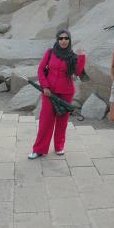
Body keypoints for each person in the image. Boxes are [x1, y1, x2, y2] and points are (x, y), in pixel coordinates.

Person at [28, 29, 86, 159]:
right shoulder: (50, 53)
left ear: (69, 40)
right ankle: (39, 149)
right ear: (57, 39)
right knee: (46, 121)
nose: (63, 41)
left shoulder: (72, 56)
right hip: (49, 92)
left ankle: (59, 146)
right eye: (61, 38)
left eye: (66, 38)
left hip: (66, 92)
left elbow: (77, 72)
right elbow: (41, 69)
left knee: (62, 121)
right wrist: (45, 86)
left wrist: (81, 57)